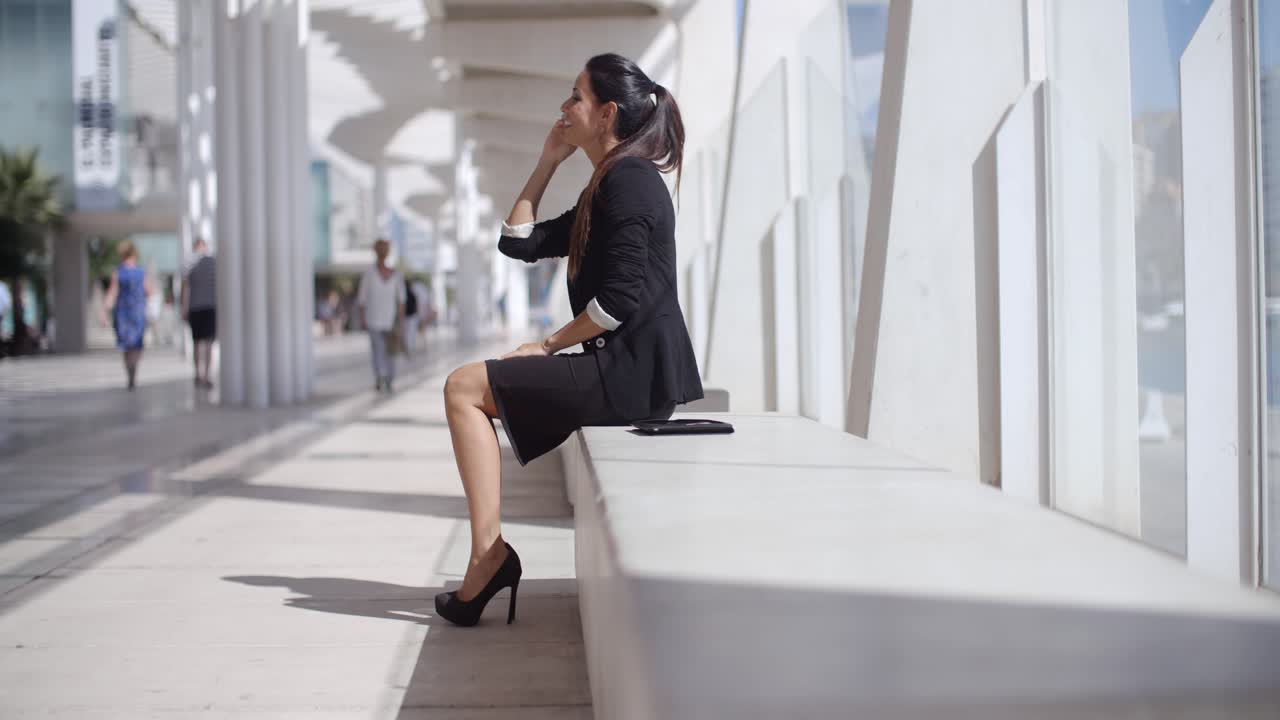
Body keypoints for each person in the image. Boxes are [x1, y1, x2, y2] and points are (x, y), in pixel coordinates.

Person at [436, 53, 703, 626]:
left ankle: (488, 556)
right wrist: (547, 161)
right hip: (620, 369)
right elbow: (519, 242)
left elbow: (619, 302)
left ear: (606, 113)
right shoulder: (608, 183)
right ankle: (489, 555)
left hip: (628, 376)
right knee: (466, 388)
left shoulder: (629, 180)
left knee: (463, 388)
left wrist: (547, 344)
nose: (564, 107)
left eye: (575, 97)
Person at [102, 240, 152, 390]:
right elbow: (149, 291)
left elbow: (112, 292)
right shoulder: (140, 272)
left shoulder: (118, 272)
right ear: (134, 255)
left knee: (125, 345)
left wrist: (104, 311)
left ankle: (129, 371)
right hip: (137, 311)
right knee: (136, 344)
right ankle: (133, 369)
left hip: (122, 312)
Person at [356, 239, 405, 392]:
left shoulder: (396, 275)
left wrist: (400, 321)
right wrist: (363, 319)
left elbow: (401, 299)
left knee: (390, 351)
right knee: (377, 350)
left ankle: (389, 378)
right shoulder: (369, 274)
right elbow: (362, 298)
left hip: (391, 320)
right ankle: (379, 377)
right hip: (373, 319)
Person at [182, 237, 218, 388]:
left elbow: (185, 289)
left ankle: (199, 374)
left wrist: (183, 308)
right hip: (209, 307)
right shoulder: (212, 263)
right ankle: (207, 374)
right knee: (208, 342)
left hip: (196, 307)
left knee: (198, 343)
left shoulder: (190, 264)